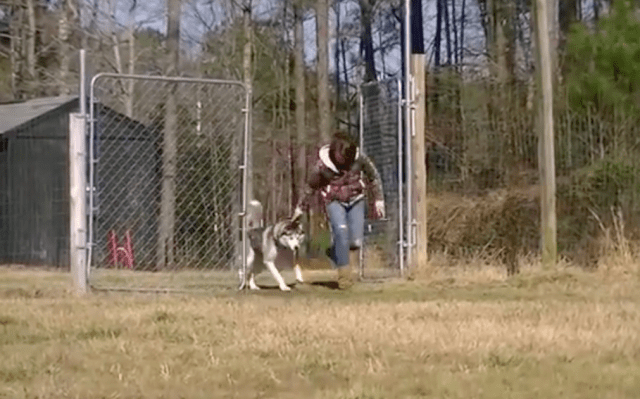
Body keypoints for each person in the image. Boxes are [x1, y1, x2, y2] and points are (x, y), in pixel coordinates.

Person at [294, 131, 386, 289]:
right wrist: (300, 208)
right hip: (334, 201)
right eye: (340, 158)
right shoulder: (322, 166)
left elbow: (373, 176)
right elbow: (311, 187)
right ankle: (344, 278)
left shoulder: (359, 159)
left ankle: (334, 251)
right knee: (341, 233)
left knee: (355, 242)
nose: (342, 162)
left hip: (356, 200)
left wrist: (378, 199)